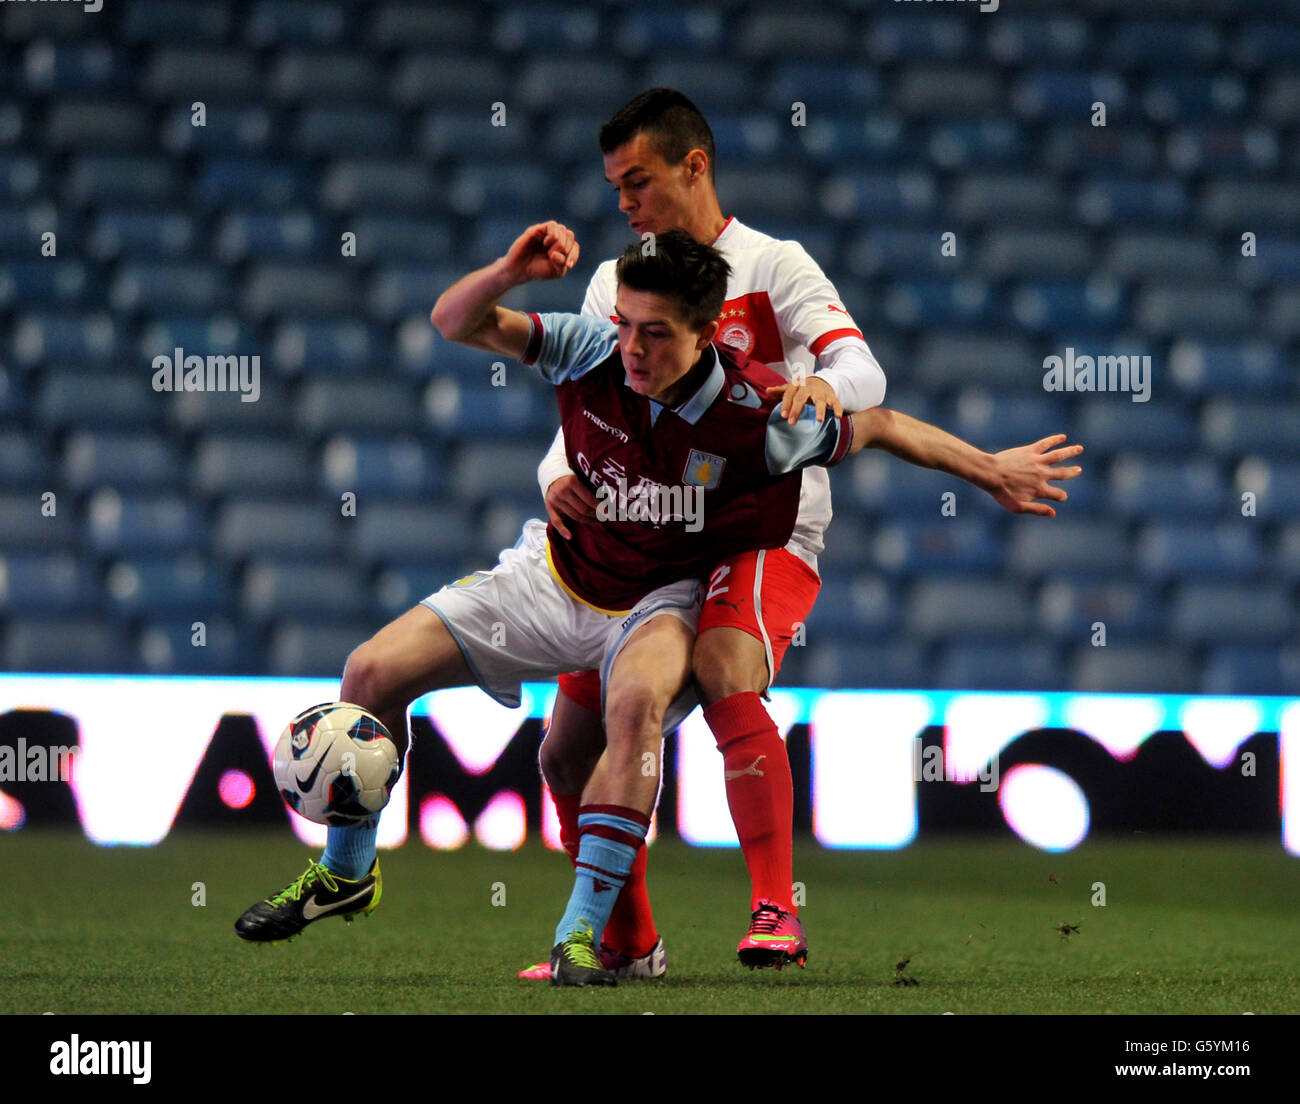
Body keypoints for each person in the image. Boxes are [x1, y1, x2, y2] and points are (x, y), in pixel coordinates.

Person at [234, 221, 1080, 990]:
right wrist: (505, 272)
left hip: (661, 599)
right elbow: (455, 322)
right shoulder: (588, 348)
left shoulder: (759, 417)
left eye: (657, 333)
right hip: (557, 576)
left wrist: (988, 469)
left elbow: (886, 423)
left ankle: (580, 937)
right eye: (626, 326)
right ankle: (347, 875)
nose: (632, 349)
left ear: (709, 333)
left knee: (632, 708)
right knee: (369, 671)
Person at [519, 88, 1071, 980]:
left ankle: (776, 909)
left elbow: (865, 374)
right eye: (616, 185)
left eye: (638, 181)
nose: (623, 202)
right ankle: (628, 944)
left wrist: (827, 390)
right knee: (565, 752)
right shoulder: (617, 282)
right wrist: (555, 479)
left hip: (758, 525)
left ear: (694, 167)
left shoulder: (774, 267)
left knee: (725, 665)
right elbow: (592, 411)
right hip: (650, 531)